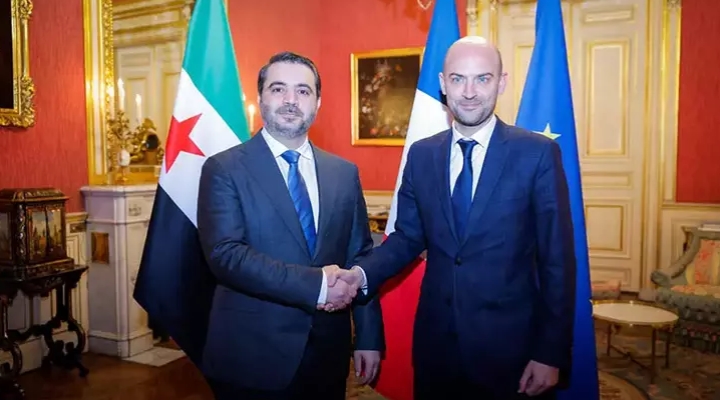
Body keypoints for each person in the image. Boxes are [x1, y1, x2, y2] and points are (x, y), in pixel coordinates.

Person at [328, 36, 576, 399]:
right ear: (443, 84)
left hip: (512, 351)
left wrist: (550, 352)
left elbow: (558, 261)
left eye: (482, 78)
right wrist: (359, 275)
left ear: (501, 82)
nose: (469, 92)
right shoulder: (422, 155)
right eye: (458, 79)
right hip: (437, 348)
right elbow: (407, 238)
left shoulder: (537, 154)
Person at [196, 51, 384, 400]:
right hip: (251, 357)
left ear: (318, 102)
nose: (290, 100)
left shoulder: (344, 173)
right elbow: (226, 255)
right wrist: (318, 286)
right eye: (278, 88)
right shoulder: (224, 169)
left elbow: (360, 256)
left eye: (303, 90)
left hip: (327, 356)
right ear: (260, 97)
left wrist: (369, 336)